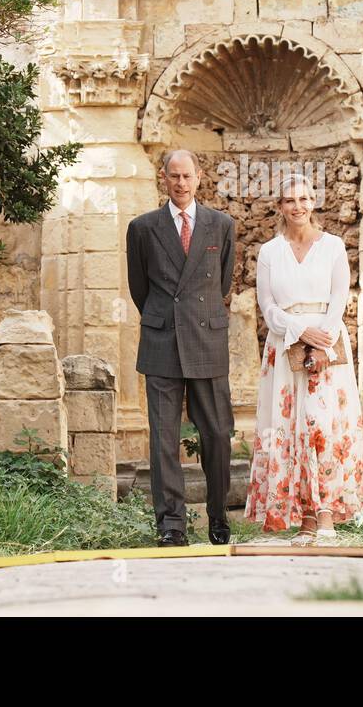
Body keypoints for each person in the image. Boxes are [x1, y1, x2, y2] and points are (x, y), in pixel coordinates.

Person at [245, 172, 363, 544]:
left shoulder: (332, 247)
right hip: (284, 347)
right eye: (289, 201)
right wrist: (299, 331)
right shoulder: (269, 252)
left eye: (303, 199)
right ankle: (304, 517)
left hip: (327, 344)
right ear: (280, 207)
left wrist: (321, 338)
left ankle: (328, 510)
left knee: (322, 423)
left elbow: (339, 297)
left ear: (313, 203)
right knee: (290, 426)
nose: (297, 207)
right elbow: (267, 306)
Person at [125, 148, 237, 547]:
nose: (181, 183)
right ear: (164, 178)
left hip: (207, 337)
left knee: (219, 434)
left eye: (187, 176)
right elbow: (141, 288)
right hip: (162, 341)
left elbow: (221, 285)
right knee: (163, 438)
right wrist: (165, 319)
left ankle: (218, 515)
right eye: (174, 176)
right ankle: (171, 524)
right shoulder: (142, 228)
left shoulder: (220, 225)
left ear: (199, 176)